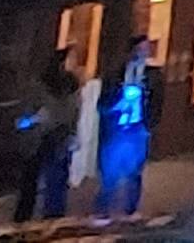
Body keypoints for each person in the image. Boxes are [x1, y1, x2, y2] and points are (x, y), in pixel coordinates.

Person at [12, 54, 84, 226]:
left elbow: (74, 115)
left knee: (57, 185)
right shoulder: (38, 89)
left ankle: (53, 221)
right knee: (30, 184)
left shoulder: (72, 89)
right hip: (39, 140)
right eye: (70, 61)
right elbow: (20, 121)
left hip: (60, 140)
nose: (74, 66)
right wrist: (34, 119)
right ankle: (22, 223)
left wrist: (74, 134)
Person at [94, 36, 159, 220]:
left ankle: (130, 210)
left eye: (146, 50)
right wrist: (117, 104)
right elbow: (102, 104)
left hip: (138, 129)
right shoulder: (115, 75)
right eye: (140, 49)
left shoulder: (153, 76)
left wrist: (149, 126)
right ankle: (103, 211)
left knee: (134, 172)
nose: (143, 54)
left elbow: (157, 104)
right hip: (116, 129)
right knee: (110, 172)